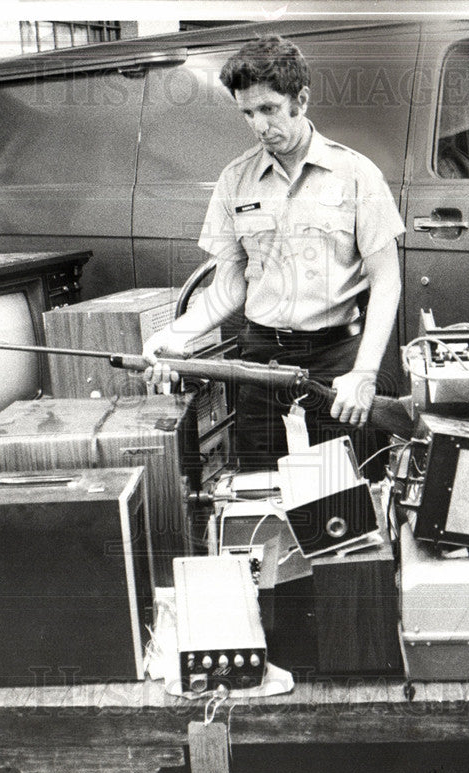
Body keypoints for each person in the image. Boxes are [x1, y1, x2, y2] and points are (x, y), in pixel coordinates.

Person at [143, 35, 405, 471]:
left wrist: (364, 373)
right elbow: (229, 287)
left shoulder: (357, 174)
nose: (258, 126)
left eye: (268, 109)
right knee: (259, 501)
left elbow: (386, 280)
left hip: (335, 361)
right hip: (262, 363)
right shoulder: (235, 180)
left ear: (299, 100)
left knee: (348, 510)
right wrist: (175, 336)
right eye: (247, 112)